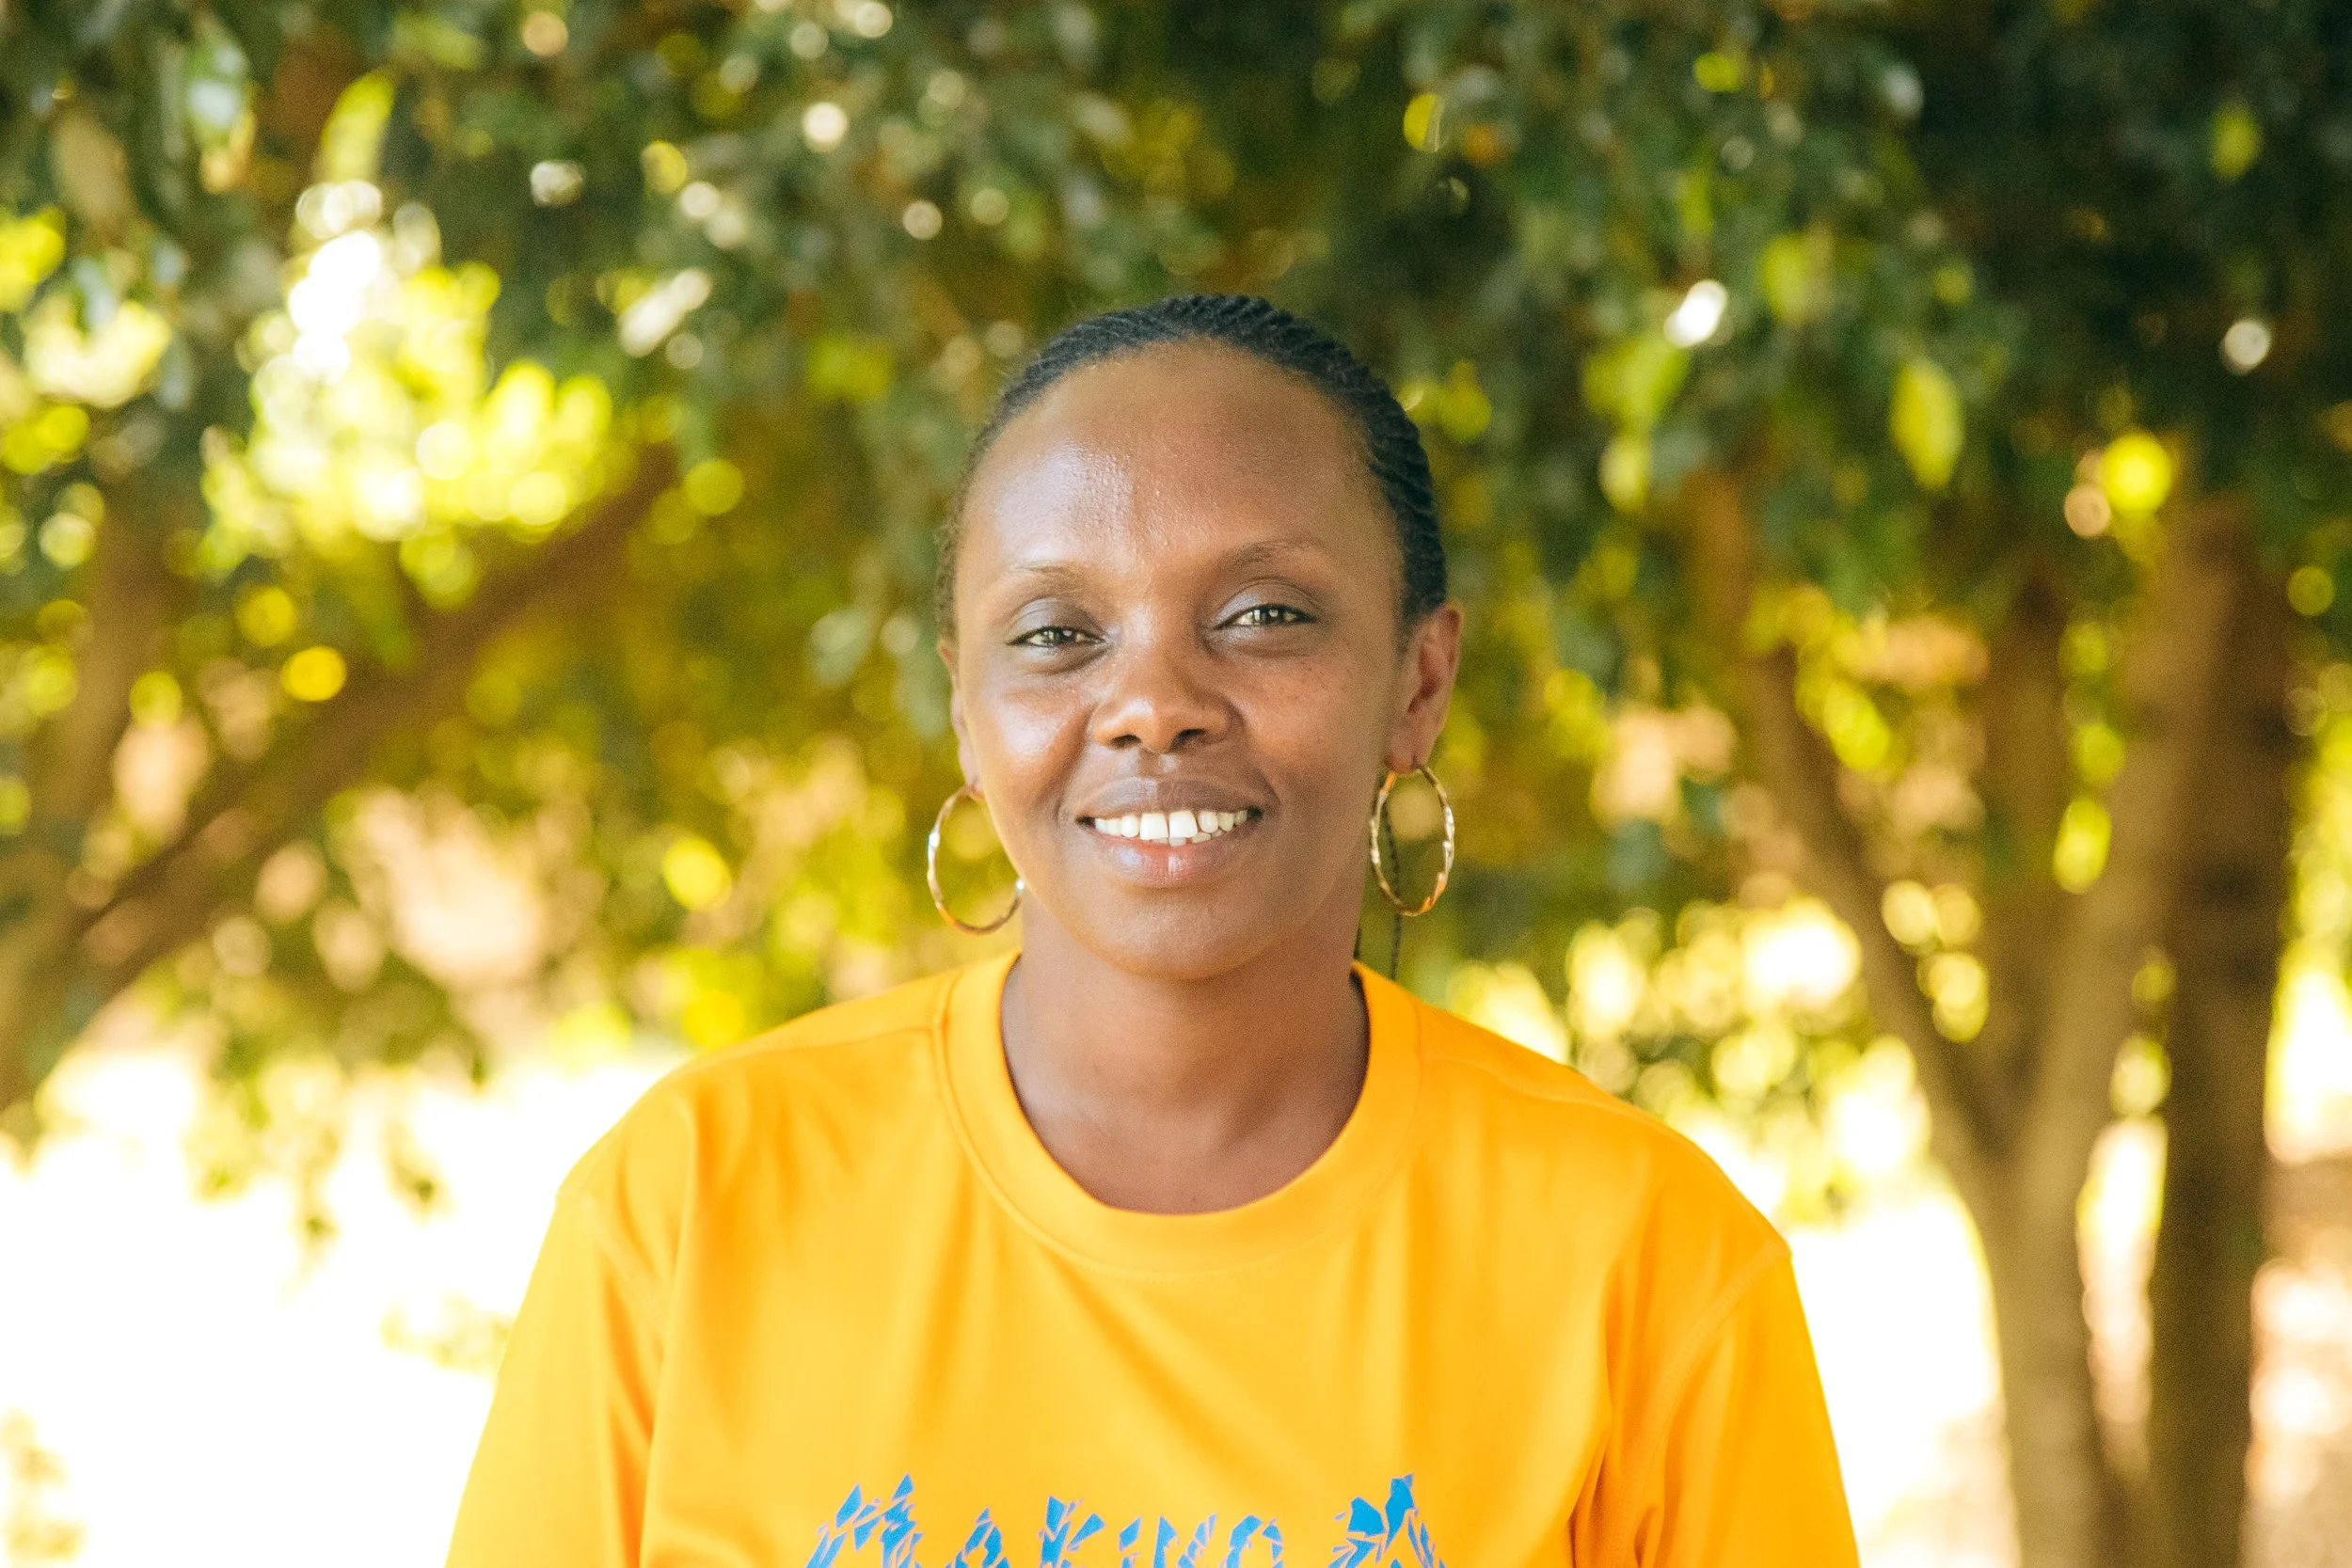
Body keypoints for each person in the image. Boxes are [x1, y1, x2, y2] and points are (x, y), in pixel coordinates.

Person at [445, 293, 1857, 1566]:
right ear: (965, 706)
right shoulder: (688, 1207)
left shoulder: (1650, 1259)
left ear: (1418, 683)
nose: (1153, 700)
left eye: (1262, 613)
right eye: (1058, 634)